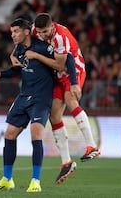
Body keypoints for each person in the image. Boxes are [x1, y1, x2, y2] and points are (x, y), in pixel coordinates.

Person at [0, 18, 76, 193]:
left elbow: (67, 59)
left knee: (36, 134)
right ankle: (7, 179)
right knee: (9, 134)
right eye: (11, 32)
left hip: (41, 98)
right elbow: (19, 69)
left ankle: (35, 181)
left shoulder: (42, 47)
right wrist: (0, 74)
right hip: (23, 96)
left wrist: (74, 83)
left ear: (27, 32)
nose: (13, 35)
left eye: (16, 31)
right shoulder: (19, 50)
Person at [11, 13, 100, 184]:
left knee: (71, 99)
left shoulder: (61, 37)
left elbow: (62, 64)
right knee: (54, 115)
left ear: (52, 26)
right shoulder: (34, 31)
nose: (43, 35)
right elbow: (22, 42)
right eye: (40, 32)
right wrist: (13, 54)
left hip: (72, 72)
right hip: (57, 75)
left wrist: (74, 83)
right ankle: (66, 162)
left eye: (45, 31)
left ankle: (92, 146)